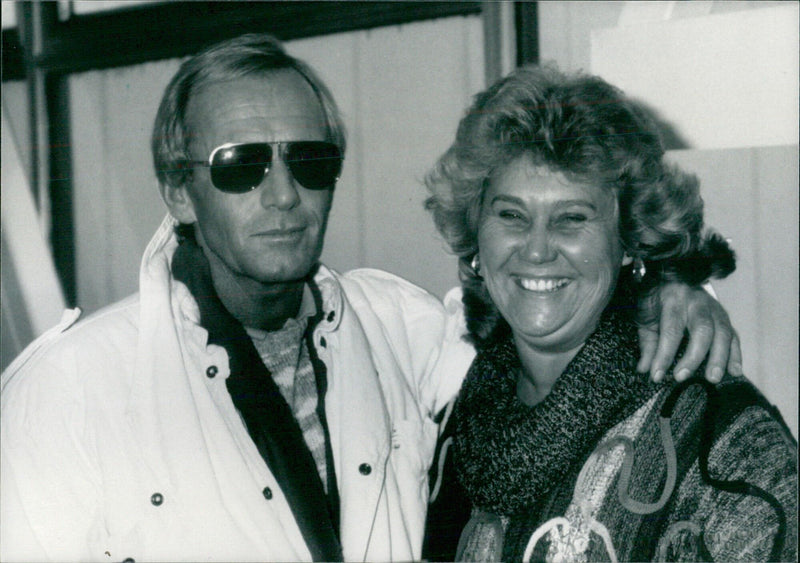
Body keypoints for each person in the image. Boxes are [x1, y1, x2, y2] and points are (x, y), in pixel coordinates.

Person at [1, 34, 740, 562]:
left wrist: (664, 284)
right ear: (178, 191)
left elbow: (542, 330)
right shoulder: (71, 391)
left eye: (309, 160)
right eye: (241, 165)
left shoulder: (394, 329)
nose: (283, 194)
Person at [422, 64, 797, 562]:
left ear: (629, 242)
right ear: (475, 236)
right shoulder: (455, 428)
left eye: (571, 218)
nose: (536, 250)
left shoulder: (724, 440)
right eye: (511, 215)